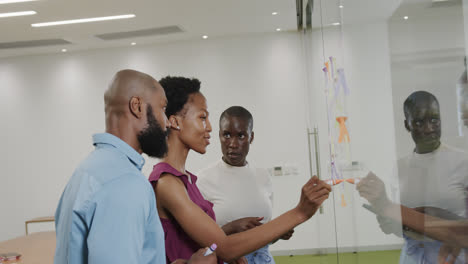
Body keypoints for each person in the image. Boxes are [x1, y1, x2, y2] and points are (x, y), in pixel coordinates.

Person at [149, 76, 331, 264]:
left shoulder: (186, 180)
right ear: (175, 122)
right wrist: (300, 212)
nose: (210, 127)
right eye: (203, 117)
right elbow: (225, 248)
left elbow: (212, 245)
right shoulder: (167, 183)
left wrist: (219, 249)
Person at [54, 70, 217, 264]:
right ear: (137, 107)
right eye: (162, 109)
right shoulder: (125, 183)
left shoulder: (87, 170)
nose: (166, 123)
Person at [357, 91, 468, 264]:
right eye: (418, 122)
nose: (429, 128)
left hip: (451, 256)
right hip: (412, 256)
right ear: (407, 125)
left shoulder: (462, 161)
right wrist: (389, 222)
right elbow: (398, 224)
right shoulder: (399, 167)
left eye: (434, 119)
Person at [197, 106, 293, 264]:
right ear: (219, 135)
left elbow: (262, 239)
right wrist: (231, 227)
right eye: (227, 135)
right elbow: (203, 244)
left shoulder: (263, 177)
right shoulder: (203, 180)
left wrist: (277, 233)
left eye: (241, 136)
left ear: (251, 137)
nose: (233, 144)